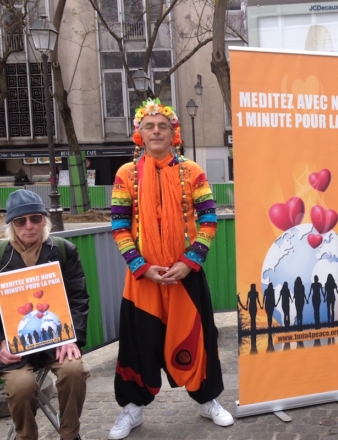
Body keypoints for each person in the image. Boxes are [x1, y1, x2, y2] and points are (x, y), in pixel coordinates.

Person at [109, 98, 233, 439]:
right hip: (142, 281)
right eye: (149, 126)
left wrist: (189, 262)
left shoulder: (193, 172)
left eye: (162, 125)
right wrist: (140, 266)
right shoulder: (125, 175)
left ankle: (208, 400)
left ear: (173, 132)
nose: (156, 131)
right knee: (138, 343)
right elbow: (119, 227)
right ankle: (132, 408)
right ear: (140, 134)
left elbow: (209, 220)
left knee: (199, 338)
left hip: (185, 277)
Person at [0, 189, 89, 440]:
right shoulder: (0, 257)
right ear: (11, 225)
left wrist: (71, 337)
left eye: (35, 219)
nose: (29, 226)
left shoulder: (63, 250)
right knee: (21, 386)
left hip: (55, 341)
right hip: (13, 349)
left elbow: (78, 298)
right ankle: (26, 437)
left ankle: (70, 434)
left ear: (44, 220)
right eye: (21, 221)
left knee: (74, 372)